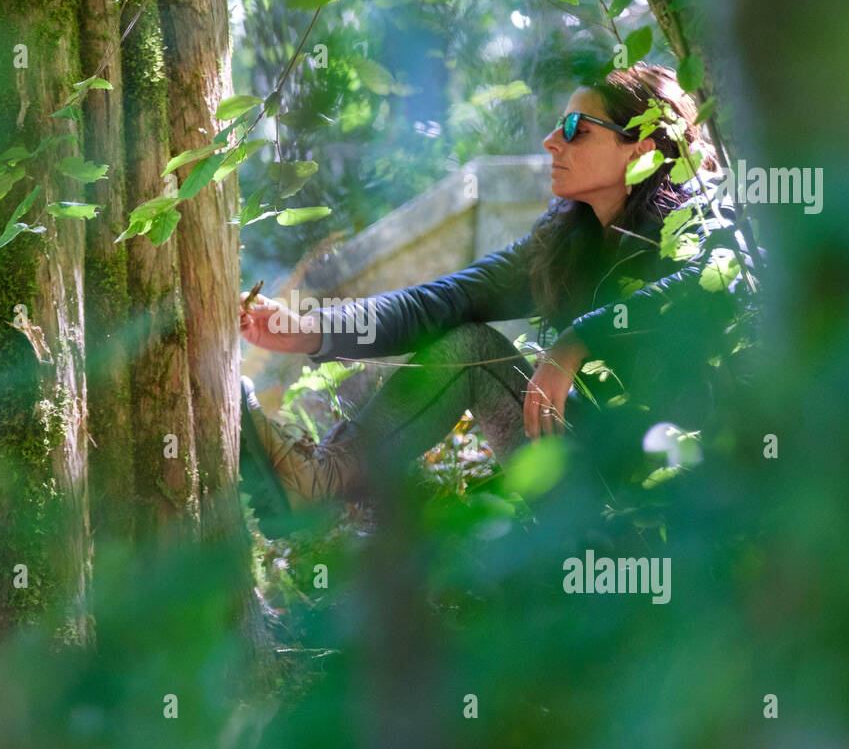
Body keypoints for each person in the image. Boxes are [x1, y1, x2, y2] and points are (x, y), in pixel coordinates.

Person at [238, 64, 743, 529]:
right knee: (468, 348)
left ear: (641, 149)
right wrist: (309, 330)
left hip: (685, 500)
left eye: (576, 129)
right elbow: (443, 302)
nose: (551, 141)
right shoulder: (568, 241)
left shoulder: (703, 216)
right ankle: (319, 479)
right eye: (558, 124)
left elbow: (717, 283)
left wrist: (578, 339)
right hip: (583, 474)